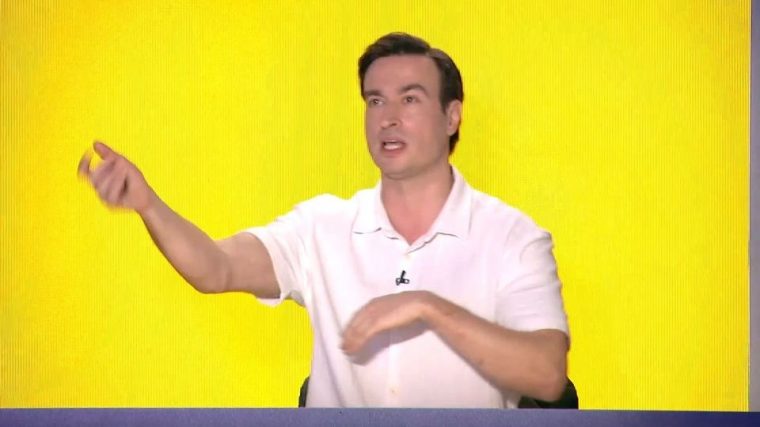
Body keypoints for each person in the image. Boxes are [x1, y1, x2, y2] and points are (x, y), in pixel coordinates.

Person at [78, 32, 569, 408]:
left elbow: (548, 377)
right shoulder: (321, 227)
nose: (387, 117)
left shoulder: (512, 238)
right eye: (375, 100)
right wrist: (148, 204)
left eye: (410, 99)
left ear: (452, 116)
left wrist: (429, 308)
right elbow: (215, 268)